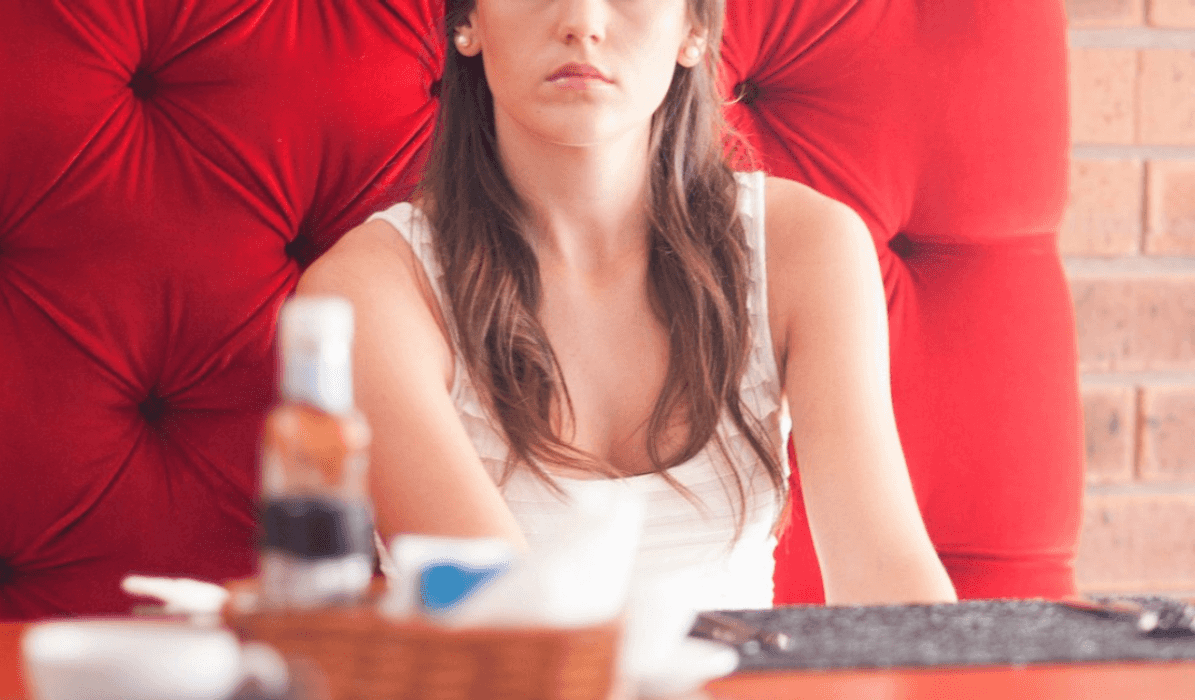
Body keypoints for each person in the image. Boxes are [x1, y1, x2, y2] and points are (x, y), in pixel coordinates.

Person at [296, 0, 957, 608]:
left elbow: (887, 580)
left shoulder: (806, 245)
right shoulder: (369, 291)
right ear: (467, 21)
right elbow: (499, 625)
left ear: (693, 30)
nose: (582, 21)